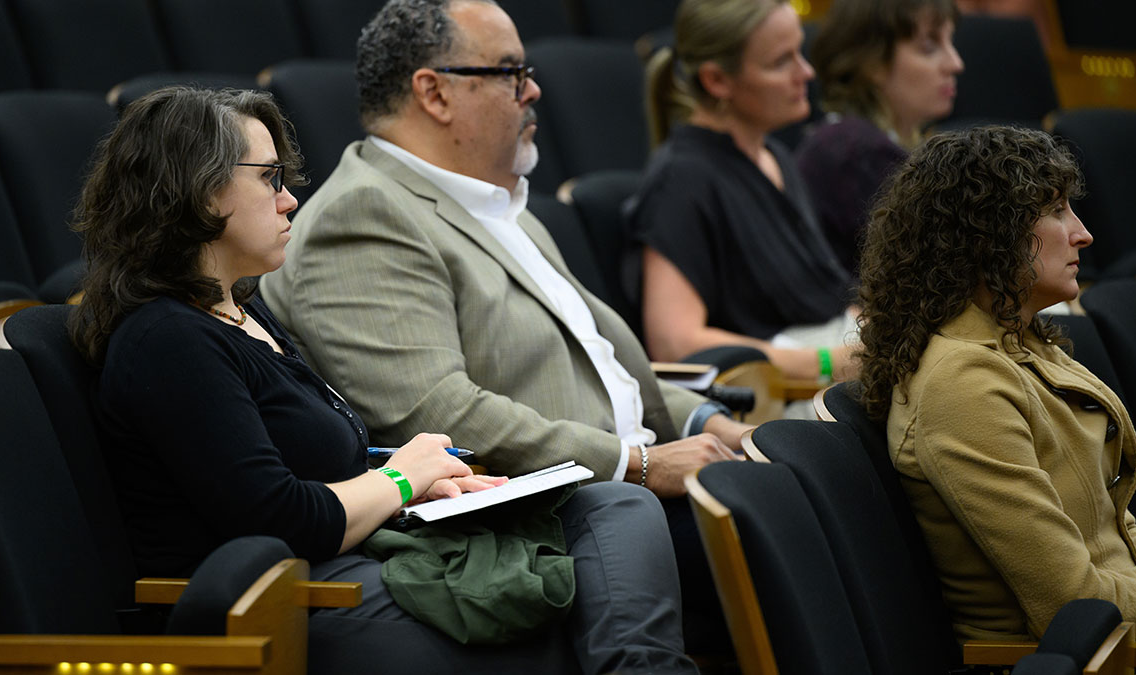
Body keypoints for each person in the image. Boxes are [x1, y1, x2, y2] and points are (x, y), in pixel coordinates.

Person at [69, 86, 699, 674]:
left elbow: (314, 459)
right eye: (269, 179)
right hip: (293, 597)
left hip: (363, 552)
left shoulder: (238, 310)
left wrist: (416, 476)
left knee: (612, 504)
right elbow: (281, 519)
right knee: (579, 611)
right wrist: (402, 477)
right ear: (198, 191)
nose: (289, 199)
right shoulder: (166, 342)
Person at [259, 0, 749, 655]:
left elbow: (593, 366)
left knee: (794, 485)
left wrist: (707, 423)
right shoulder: (365, 217)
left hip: (621, 488)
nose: (534, 89)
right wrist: (639, 464)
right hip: (548, 523)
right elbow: (437, 413)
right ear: (434, 93)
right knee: (780, 536)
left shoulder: (497, 201)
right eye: (512, 72)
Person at [856, 125, 1136, 642]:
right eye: (1056, 211)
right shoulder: (965, 385)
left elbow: (1116, 532)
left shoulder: (1019, 340)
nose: (1083, 233)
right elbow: (1075, 607)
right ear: (988, 233)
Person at [629, 0, 857, 383]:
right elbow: (676, 343)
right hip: (786, 394)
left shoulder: (775, 157)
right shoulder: (681, 180)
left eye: (799, 52)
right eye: (780, 62)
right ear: (717, 80)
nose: (806, 72)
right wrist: (825, 362)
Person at [796, 0, 963, 275]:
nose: (956, 63)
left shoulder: (860, 142)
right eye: (930, 47)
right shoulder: (856, 154)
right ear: (872, 61)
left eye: (951, 43)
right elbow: (943, 277)